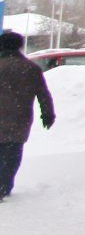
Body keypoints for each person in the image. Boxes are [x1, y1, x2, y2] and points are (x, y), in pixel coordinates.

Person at [0, 30, 56, 202]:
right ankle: (5, 185)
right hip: (20, 119)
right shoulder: (31, 69)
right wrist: (48, 114)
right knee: (13, 153)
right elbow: (43, 94)